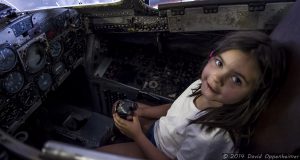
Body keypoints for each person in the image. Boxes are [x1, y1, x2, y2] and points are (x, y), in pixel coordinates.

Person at [97, 31, 287, 159]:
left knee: (94, 154)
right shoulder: (200, 85)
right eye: (219, 63)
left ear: (255, 93)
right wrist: (145, 110)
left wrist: (137, 135)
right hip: (162, 132)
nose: (216, 78)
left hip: (163, 153)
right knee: (132, 107)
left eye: (236, 80)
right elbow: (175, 107)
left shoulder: (210, 136)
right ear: (212, 56)